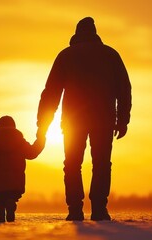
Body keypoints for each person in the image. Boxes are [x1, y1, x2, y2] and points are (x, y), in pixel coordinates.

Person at [36, 17, 132, 221]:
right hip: (103, 119)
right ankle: (99, 208)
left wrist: (42, 125)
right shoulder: (110, 55)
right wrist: (123, 119)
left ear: (77, 33)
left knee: (72, 164)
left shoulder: (66, 55)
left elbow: (50, 93)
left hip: (73, 121)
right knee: (102, 163)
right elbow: (124, 89)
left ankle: (74, 209)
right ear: (95, 33)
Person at [0, 116, 45, 222]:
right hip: (15, 182)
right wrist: (41, 139)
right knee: (11, 196)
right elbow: (32, 153)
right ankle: (11, 204)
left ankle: (0, 211)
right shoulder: (20, 143)